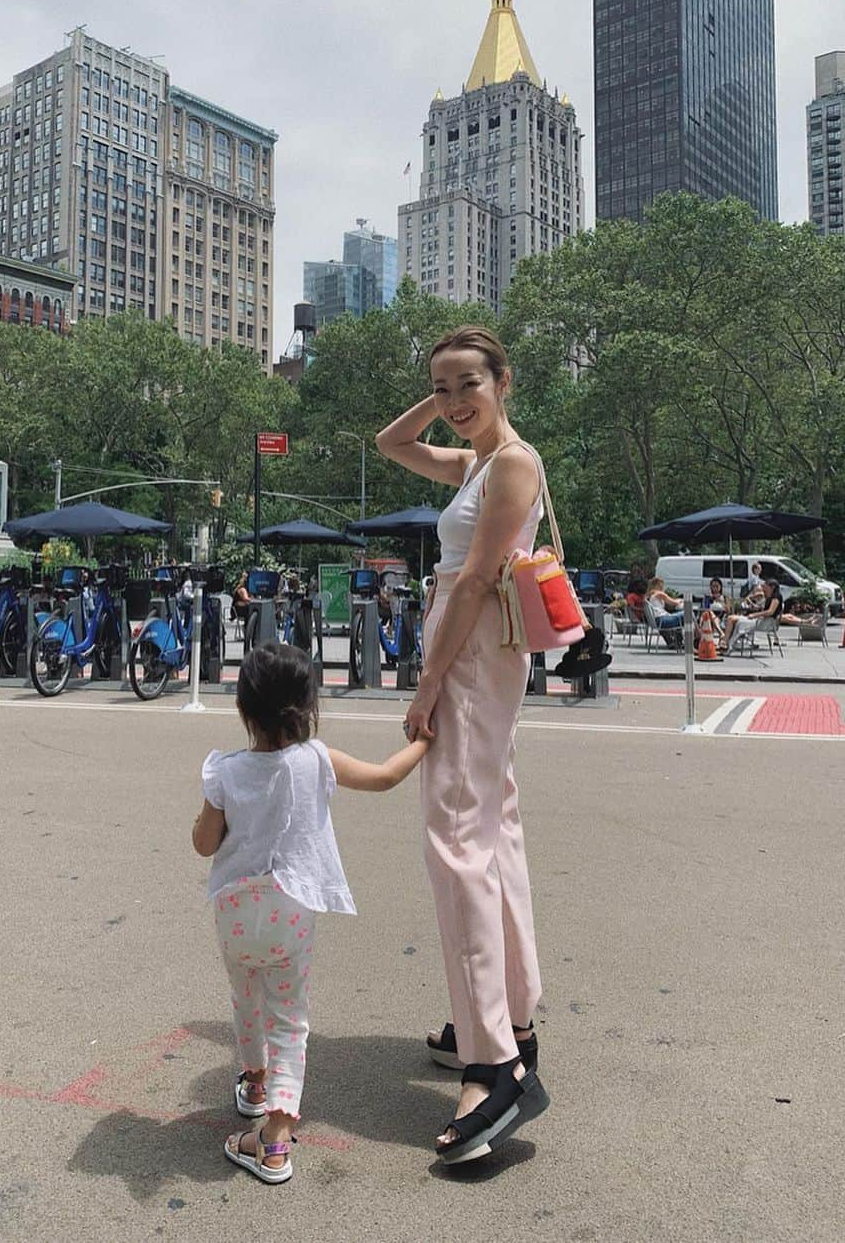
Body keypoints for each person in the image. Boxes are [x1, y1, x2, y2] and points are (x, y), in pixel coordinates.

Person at [376, 324, 552, 1166]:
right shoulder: (474, 461)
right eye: (444, 388)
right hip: (474, 657)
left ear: (504, 381)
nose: (452, 404)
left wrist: (428, 684)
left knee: (458, 845)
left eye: (470, 385)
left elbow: (478, 581)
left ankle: (494, 1062)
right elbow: (389, 442)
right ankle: (510, 1017)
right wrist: (448, 403)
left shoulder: (511, 463)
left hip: (472, 657)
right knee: (494, 831)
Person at [192, 642, 429, 1184]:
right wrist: (422, 742)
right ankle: (274, 1139)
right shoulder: (316, 759)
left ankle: (254, 1082)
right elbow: (385, 776)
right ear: (306, 708)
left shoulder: (224, 771)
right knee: (289, 1017)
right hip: (290, 910)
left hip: (234, 911)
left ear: (243, 711)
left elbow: (205, 844)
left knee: (245, 997)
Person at [720, 579, 782, 653]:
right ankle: (726, 642)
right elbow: (764, 609)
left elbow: (770, 612)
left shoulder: (776, 597)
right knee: (731, 618)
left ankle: (726, 643)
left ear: (772, 587)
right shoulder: (769, 597)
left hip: (765, 623)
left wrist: (755, 615)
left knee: (732, 619)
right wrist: (755, 607)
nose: (764, 589)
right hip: (760, 620)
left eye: (765, 587)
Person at [646, 577, 685, 647]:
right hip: (662, 620)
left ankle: (677, 642)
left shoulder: (650, 595)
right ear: (658, 585)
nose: (663, 587)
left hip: (657, 621)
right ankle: (694, 638)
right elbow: (673, 602)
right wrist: (681, 600)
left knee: (680, 617)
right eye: (662, 585)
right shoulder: (659, 594)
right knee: (687, 614)